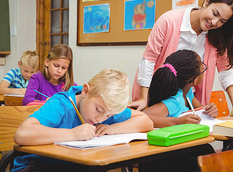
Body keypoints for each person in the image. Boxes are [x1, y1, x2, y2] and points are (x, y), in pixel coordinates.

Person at [130, 0, 233, 118]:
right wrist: (143, 97)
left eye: (222, 21)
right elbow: (149, 60)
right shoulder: (168, 21)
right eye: (215, 13)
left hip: (189, 102)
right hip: (155, 95)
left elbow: (226, 72)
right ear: (207, 2)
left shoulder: (218, 35)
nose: (214, 22)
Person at [13, 69, 154, 172]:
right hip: (37, 166)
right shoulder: (62, 104)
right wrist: (73, 134)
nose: (101, 118)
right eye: (99, 110)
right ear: (85, 91)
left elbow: (146, 121)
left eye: (108, 116)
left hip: (76, 165)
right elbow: (22, 134)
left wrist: (112, 128)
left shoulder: (107, 107)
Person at [143, 50, 218, 128]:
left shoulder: (187, 93)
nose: (203, 69)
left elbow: (200, 111)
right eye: (202, 68)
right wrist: (177, 122)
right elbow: (143, 116)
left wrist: (210, 111)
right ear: (195, 80)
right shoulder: (175, 101)